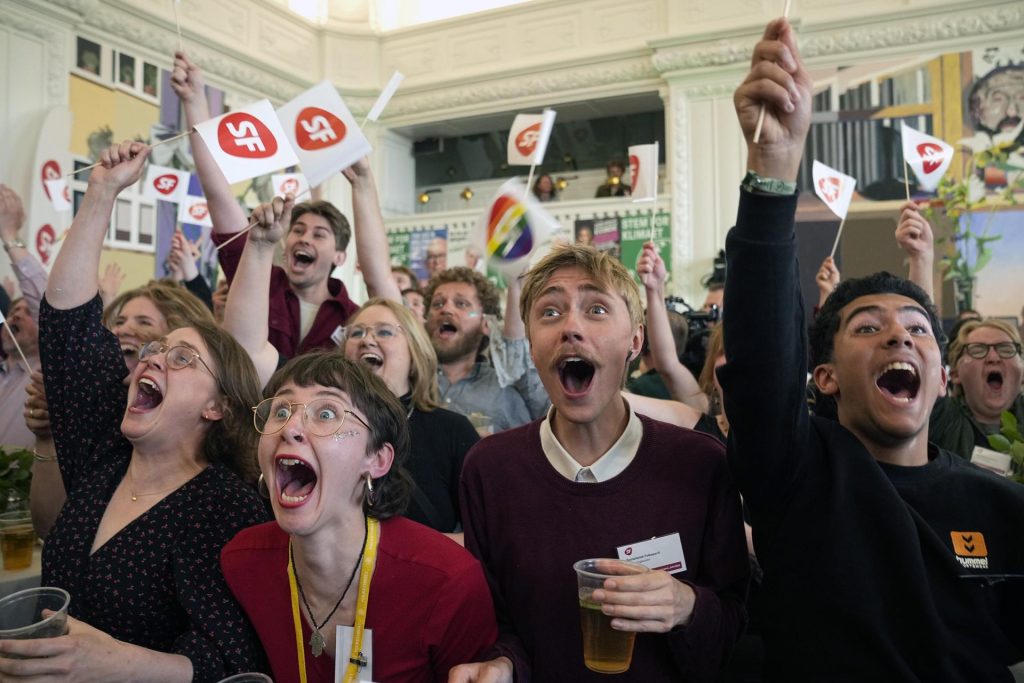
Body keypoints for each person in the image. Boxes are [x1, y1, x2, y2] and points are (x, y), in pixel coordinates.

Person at [722, 18, 1024, 679]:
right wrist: (773, 172)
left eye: (918, 330)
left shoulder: (1003, 509)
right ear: (823, 377)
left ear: (943, 377)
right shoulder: (797, 473)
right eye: (867, 327)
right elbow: (761, 360)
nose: (898, 335)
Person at [0, 140, 269, 681]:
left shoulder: (228, 509)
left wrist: (109, 662)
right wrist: (100, 193)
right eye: (154, 351)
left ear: (218, 405)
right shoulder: (104, 454)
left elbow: (232, 662)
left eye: (184, 357)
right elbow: (69, 324)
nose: (155, 358)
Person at [453, 243, 748, 682]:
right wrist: (502, 665)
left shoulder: (700, 464)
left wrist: (687, 606)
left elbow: (737, 634)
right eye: (550, 313)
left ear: (635, 341)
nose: (571, 327)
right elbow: (497, 624)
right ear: (532, 346)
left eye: (595, 309)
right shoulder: (491, 470)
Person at [220, 352, 497, 683]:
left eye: (326, 413)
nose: (289, 427)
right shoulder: (242, 563)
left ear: (378, 460)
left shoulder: (447, 581)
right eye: (280, 410)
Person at [172, 51, 393, 358]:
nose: (304, 237)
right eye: (298, 230)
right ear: (285, 243)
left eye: (319, 234)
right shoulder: (258, 278)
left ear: (340, 256)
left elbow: (379, 277)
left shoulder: (354, 319)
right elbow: (218, 194)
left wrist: (363, 183)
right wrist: (194, 102)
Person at [423, 267, 544, 431]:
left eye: (461, 304)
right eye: (437, 304)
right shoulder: (411, 379)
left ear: (486, 324)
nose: (446, 309)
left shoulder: (504, 393)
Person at [931, 318, 1024, 460]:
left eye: (1005, 349)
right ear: (955, 374)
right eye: (978, 350)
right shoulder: (936, 422)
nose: (993, 357)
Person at [0, 184, 44, 449]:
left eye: (28, 313)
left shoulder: (45, 374)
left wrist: (8, 234)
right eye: (14, 311)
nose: (16, 315)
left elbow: (48, 305)